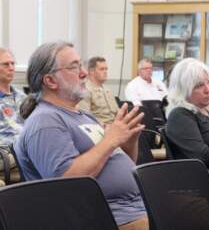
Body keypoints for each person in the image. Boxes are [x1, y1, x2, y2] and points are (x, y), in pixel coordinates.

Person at [14, 41, 148, 230]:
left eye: (81, 65)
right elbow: (68, 183)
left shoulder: (85, 116)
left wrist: (129, 141)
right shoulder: (45, 121)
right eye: (74, 67)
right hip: (107, 219)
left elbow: (122, 162)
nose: (84, 73)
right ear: (50, 81)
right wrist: (110, 140)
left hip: (137, 209)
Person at [165, 58, 209, 189]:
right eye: (198, 85)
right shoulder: (180, 114)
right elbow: (201, 155)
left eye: (208, 82)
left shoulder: (206, 111)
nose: (208, 89)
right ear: (183, 90)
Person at [79, 57, 119, 124]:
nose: (105, 72)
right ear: (91, 71)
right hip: (100, 129)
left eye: (106, 69)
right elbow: (84, 117)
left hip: (115, 126)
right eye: (102, 69)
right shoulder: (85, 90)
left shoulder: (107, 90)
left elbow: (117, 111)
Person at [0, 48, 25, 145]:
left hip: (31, 150)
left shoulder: (23, 98)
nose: (11, 68)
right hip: (7, 154)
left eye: (13, 64)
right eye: (6, 64)